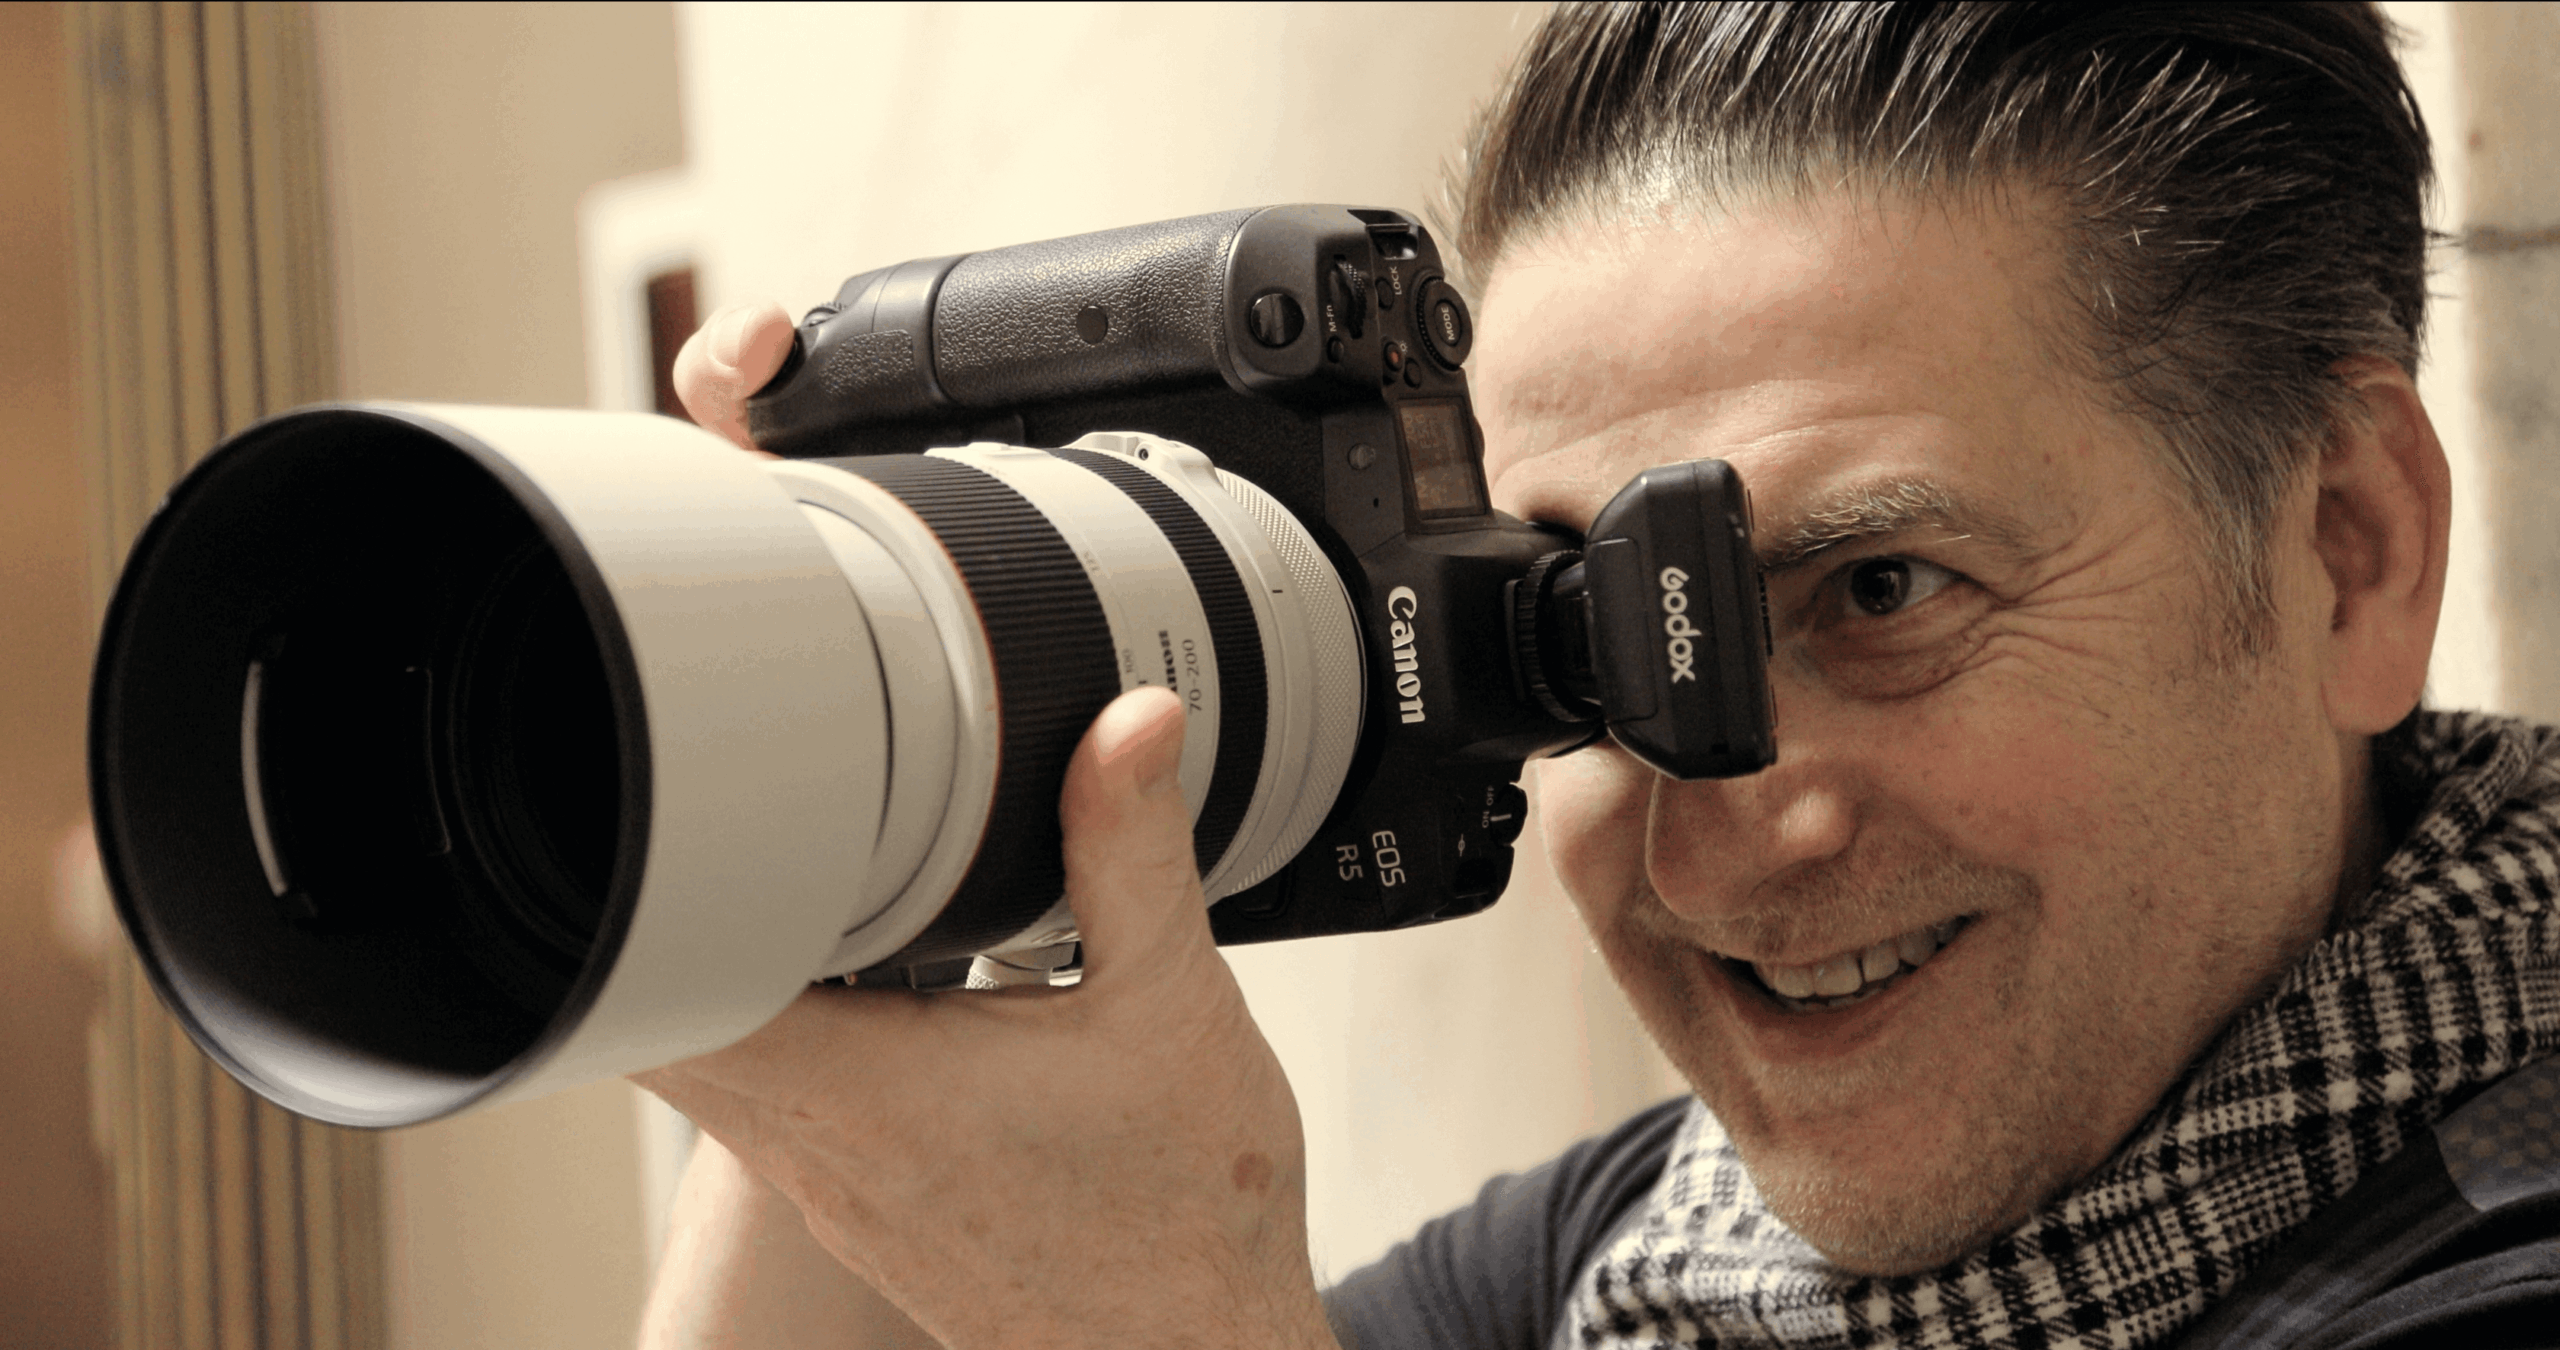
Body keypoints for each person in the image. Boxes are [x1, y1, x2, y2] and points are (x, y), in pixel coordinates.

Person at [635, 4, 2560, 1347]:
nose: (1724, 851)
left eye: (1881, 584)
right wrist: (856, 784)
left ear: (2349, 550)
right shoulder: (1642, 1260)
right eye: (1579, 633)